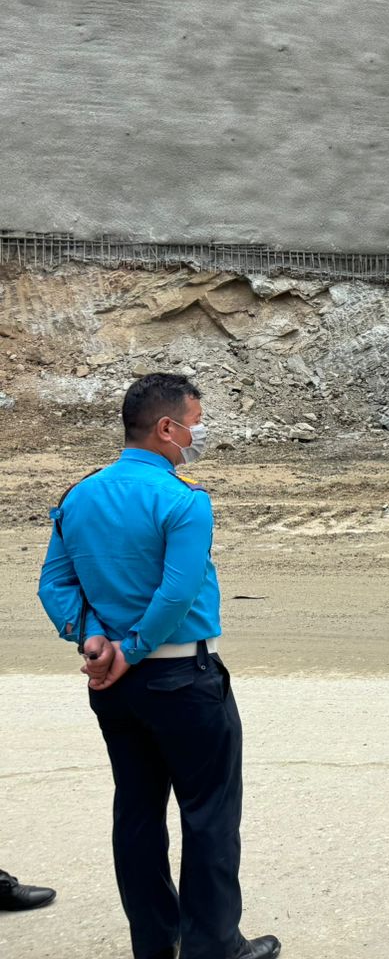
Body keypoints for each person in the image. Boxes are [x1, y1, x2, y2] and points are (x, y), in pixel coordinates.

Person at [36, 374, 281, 959]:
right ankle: (215, 946)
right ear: (168, 428)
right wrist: (134, 647)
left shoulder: (80, 495)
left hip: (114, 688)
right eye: (195, 422)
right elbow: (176, 594)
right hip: (183, 679)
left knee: (138, 810)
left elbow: (54, 584)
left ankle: (154, 940)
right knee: (209, 817)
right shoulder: (184, 499)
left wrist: (95, 641)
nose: (198, 435)